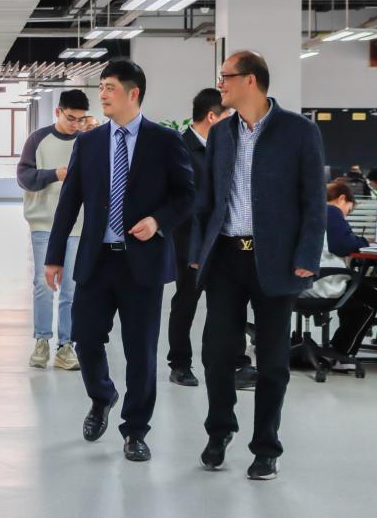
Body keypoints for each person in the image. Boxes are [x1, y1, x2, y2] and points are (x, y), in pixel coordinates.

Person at [45, 59, 194, 463]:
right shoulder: (90, 142)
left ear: (134, 93)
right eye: (102, 87)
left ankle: (136, 430)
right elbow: (70, 201)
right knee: (85, 337)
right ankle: (102, 395)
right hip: (97, 260)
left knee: (140, 351)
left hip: (142, 264)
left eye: (110, 87)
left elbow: (186, 195)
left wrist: (158, 221)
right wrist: (54, 255)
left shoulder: (164, 141)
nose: (103, 94)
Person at [190, 50, 325, 481]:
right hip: (226, 257)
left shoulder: (298, 132)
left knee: (271, 362)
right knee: (216, 354)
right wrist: (197, 250)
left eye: (226, 76)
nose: (220, 84)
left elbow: (314, 201)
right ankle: (219, 431)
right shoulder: (221, 133)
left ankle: (266, 447)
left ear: (250, 80)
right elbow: (206, 200)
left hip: (276, 261)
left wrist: (306, 256)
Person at [168, 89, 255, 388]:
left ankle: (233, 362)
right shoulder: (180, 148)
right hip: (189, 238)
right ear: (212, 117)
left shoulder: (227, 146)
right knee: (187, 301)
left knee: (229, 302)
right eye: (228, 115)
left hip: (224, 237)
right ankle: (180, 364)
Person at [17, 89, 90, 371]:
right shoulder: (38, 139)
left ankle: (66, 345)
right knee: (43, 285)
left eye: (81, 120)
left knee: (71, 286)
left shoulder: (86, 141)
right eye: (71, 118)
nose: (76, 125)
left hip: (78, 225)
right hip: (44, 222)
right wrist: (54, 175)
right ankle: (42, 340)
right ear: (58, 112)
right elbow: (24, 177)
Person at [301, 181, 377, 362]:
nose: (346, 215)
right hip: (321, 282)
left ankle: (337, 347)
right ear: (342, 198)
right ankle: (343, 353)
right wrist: (366, 242)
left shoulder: (311, 211)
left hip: (300, 282)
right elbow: (342, 245)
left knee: (354, 294)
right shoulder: (331, 211)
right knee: (369, 297)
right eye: (349, 210)